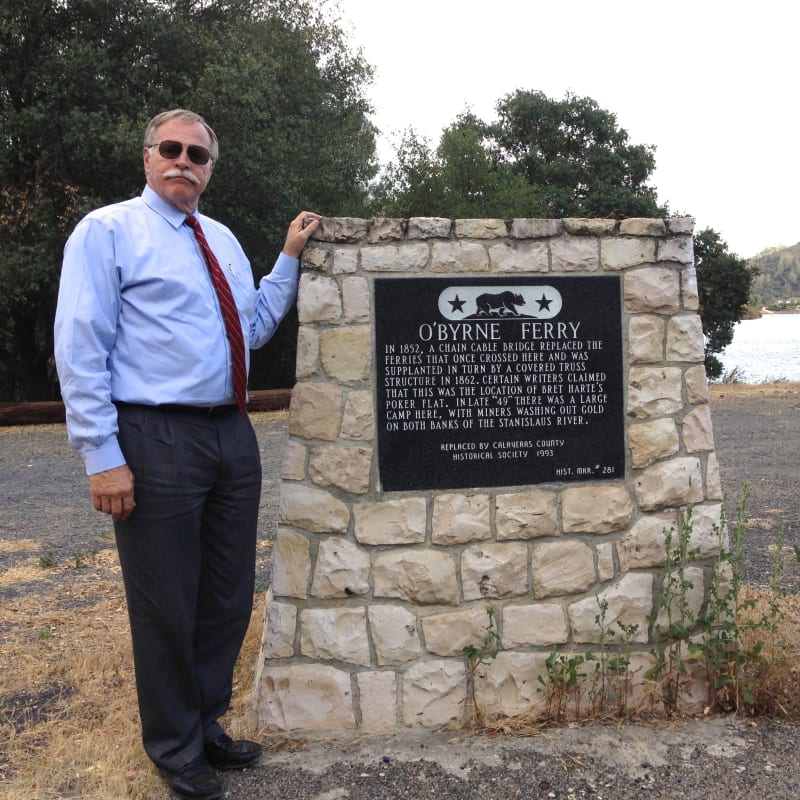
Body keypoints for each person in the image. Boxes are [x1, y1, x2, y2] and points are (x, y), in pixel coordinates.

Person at [54, 108, 320, 800]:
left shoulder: (222, 240)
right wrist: (101, 454)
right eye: (170, 149)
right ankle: (174, 750)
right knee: (167, 601)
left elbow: (253, 327)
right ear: (147, 157)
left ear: (209, 168)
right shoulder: (108, 231)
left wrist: (287, 259)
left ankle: (205, 723)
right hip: (154, 434)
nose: (183, 161)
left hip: (230, 433)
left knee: (228, 596)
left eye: (197, 155)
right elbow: (80, 346)